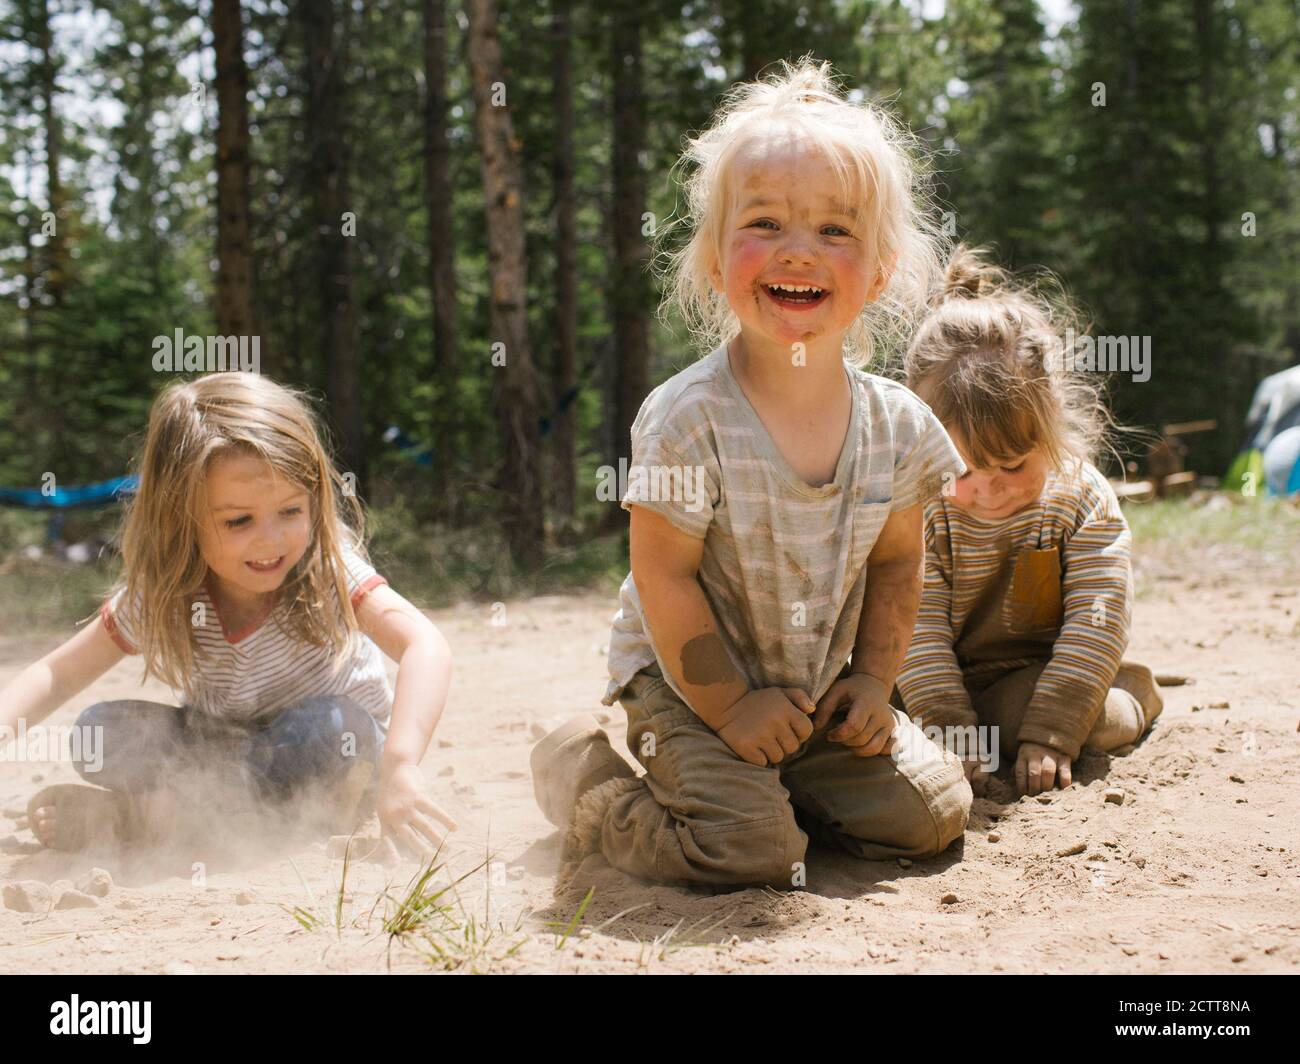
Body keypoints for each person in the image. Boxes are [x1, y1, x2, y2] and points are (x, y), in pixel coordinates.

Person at [531, 59, 972, 889]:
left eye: (836, 231)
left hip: (813, 691)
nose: (798, 250)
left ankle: (771, 779)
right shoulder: (687, 418)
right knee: (750, 852)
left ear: (880, 270)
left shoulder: (899, 426)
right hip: (681, 684)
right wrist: (732, 708)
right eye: (764, 222)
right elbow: (663, 576)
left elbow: (897, 562)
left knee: (932, 814)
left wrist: (875, 682)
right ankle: (589, 780)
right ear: (711, 261)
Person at [0, 372, 456, 855]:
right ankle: (203, 815)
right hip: (221, 753)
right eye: (239, 520)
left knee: (331, 726)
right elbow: (57, 674)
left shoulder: (327, 566)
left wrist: (402, 763)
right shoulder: (166, 591)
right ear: (180, 518)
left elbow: (424, 645)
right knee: (98, 732)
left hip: (332, 754)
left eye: (290, 511)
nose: (271, 539)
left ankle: (141, 819)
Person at [897, 245, 1163, 798]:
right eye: (963, 471)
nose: (990, 491)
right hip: (933, 683)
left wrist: (1053, 732)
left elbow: (1098, 617)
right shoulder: (921, 507)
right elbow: (914, 630)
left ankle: (1131, 698)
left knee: (1088, 715)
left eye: (1014, 465)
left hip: (1048, 678)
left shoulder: (1080, 500)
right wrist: (950, 729)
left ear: (1053, 425)